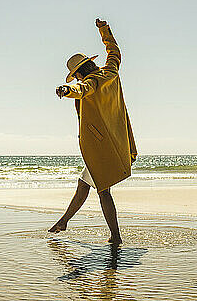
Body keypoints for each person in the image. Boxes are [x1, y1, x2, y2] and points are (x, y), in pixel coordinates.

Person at [50, 18, 137, 245]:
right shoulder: (110, 71)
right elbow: (115, 51)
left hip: (100, 147)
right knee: (84, 186)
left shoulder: (91, 82)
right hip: (115, 141)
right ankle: (63, 222)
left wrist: (66, 89)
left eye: (76, 75)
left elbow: (82, 89)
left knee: (102, 191)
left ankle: (116, 236)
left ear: (79, 72)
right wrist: (104, 29)